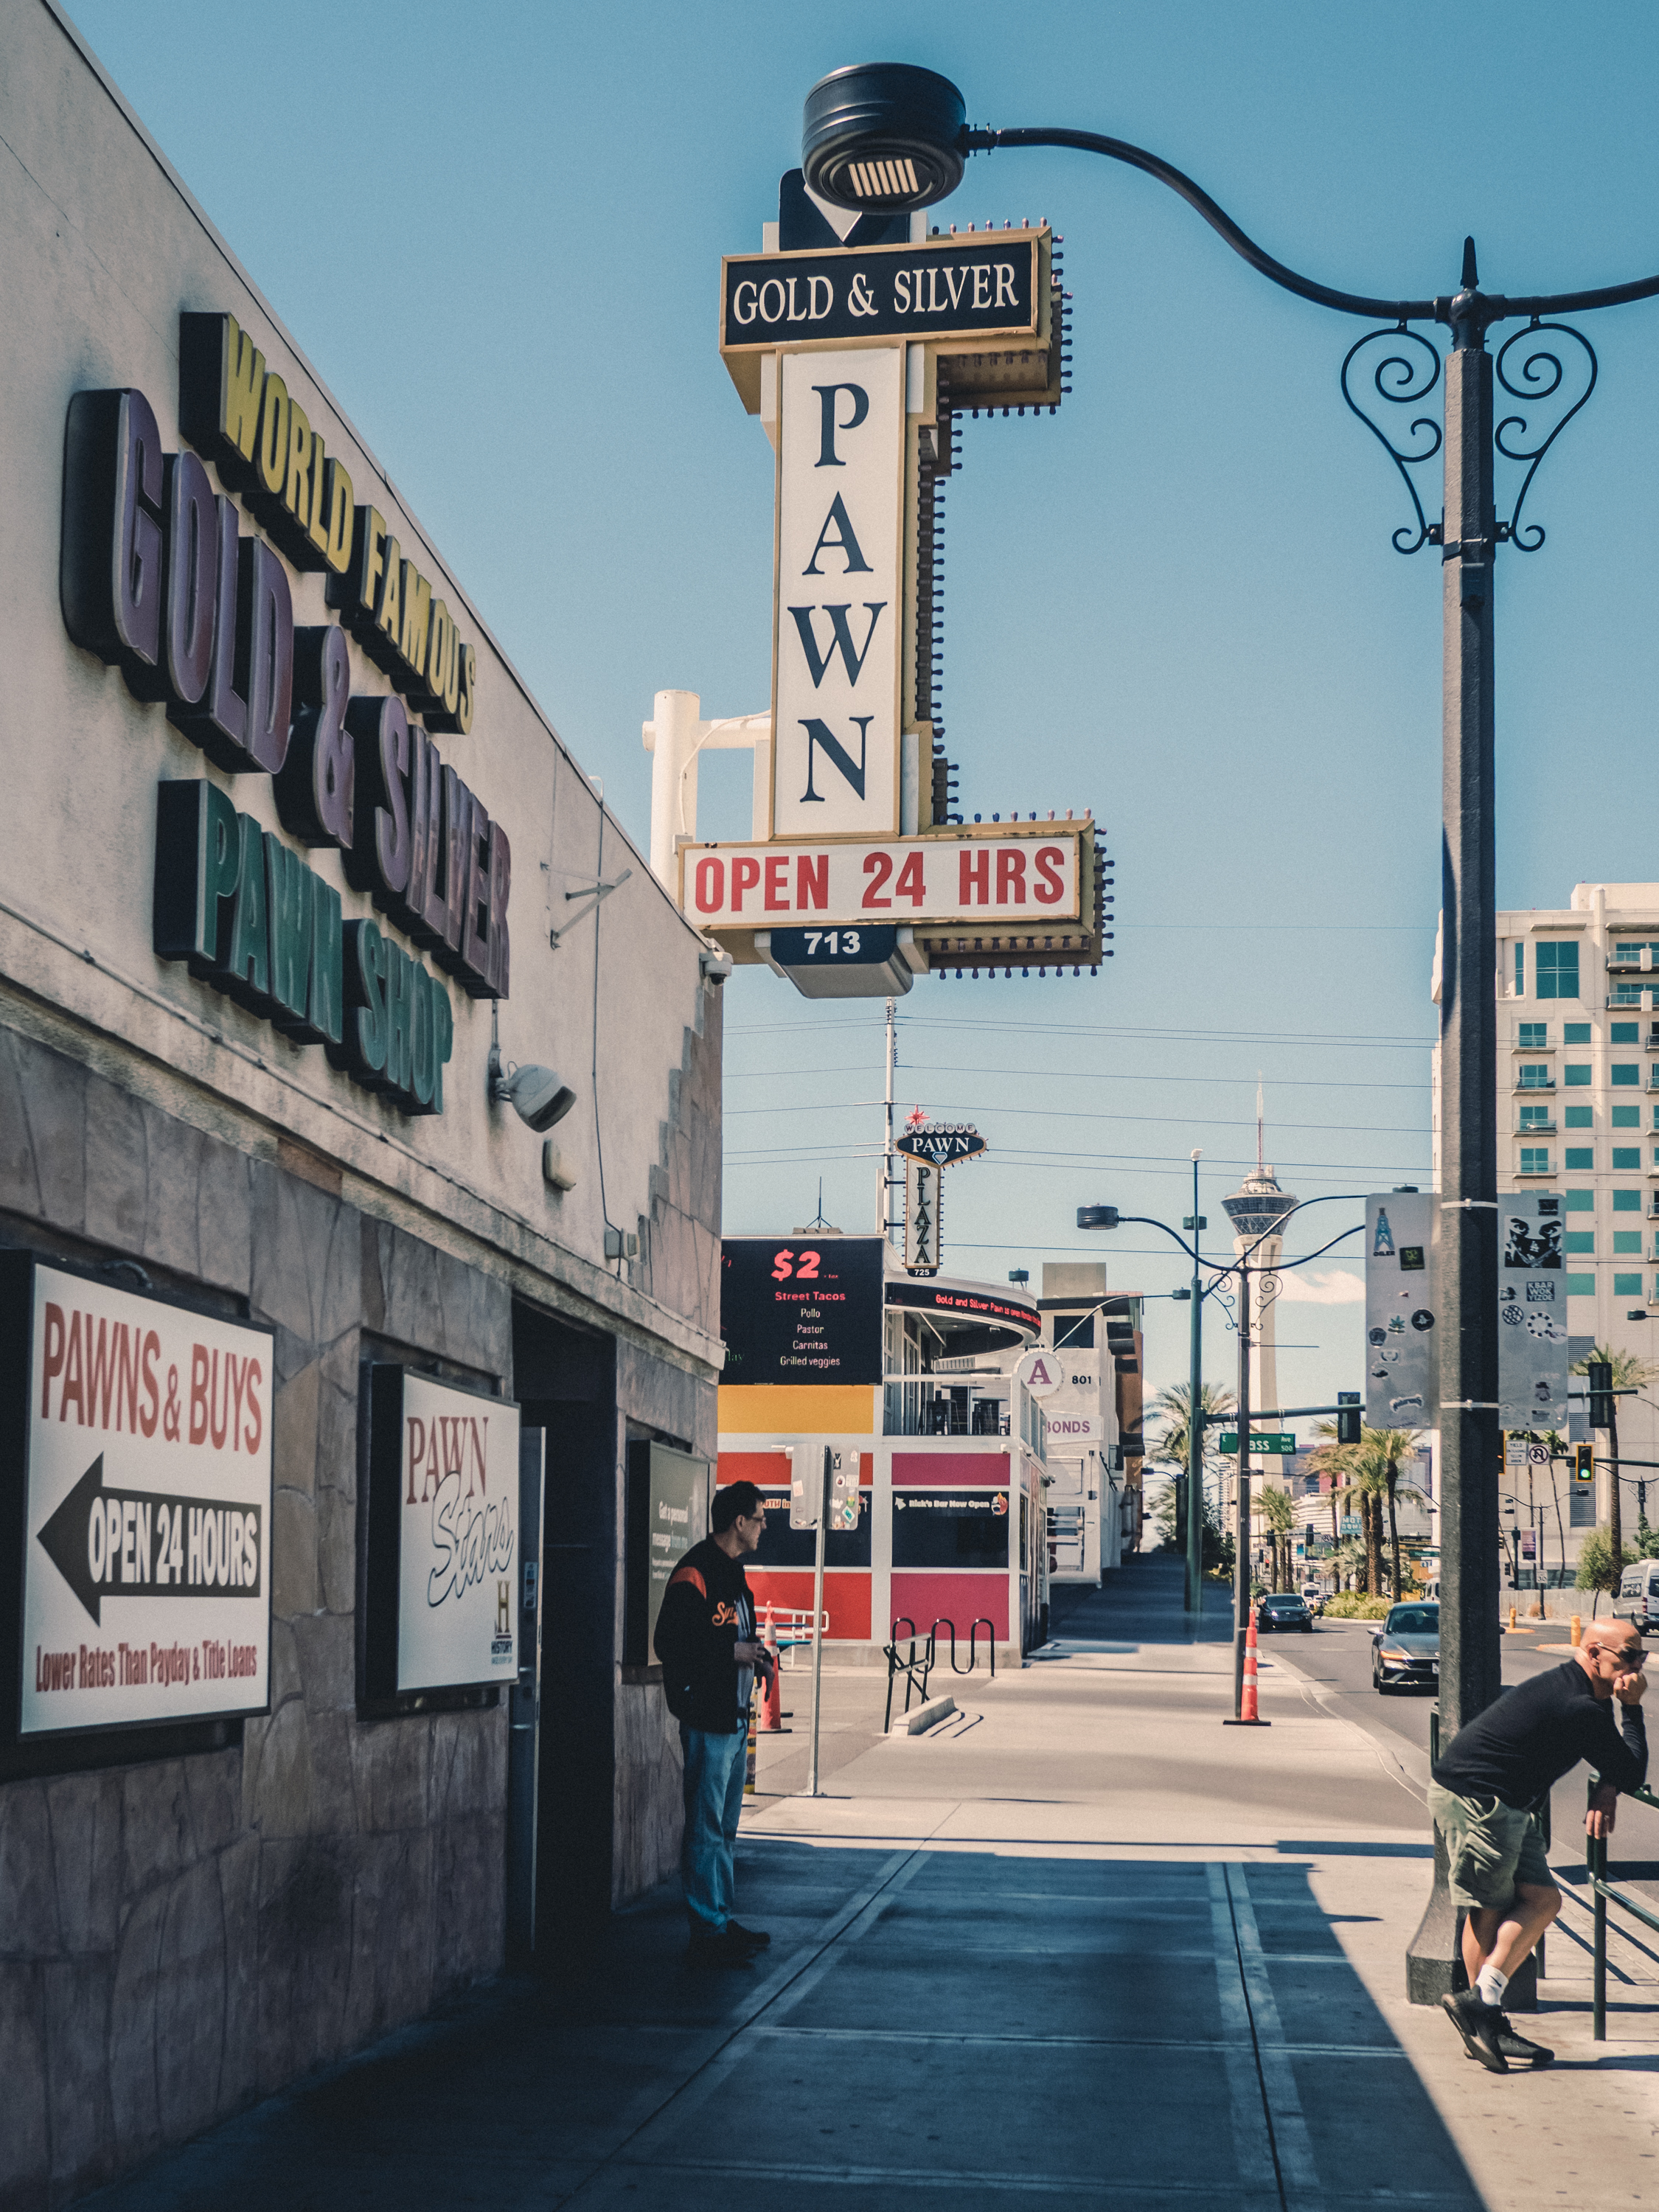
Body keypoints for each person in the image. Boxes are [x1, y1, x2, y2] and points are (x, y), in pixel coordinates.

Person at [1429, 1618, 1647, 2072]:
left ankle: (1482, 2007)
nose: (1637, 1667)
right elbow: (1630, 1770)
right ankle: (1482, 2023)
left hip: (1508, 1804)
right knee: (1487, 1908)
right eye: (1629, 1656)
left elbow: (1614, 1765)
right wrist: (1632, 1709)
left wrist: (1606, 1786)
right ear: (1594, 1654)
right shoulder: (1579, 1703)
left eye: (1641, 1656)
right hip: (1479, 1799)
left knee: (1544, 1900)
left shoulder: (1583, 1693)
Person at [653, 1478, 776, 1966]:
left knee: (724, 1828)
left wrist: (759, 1659)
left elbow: (739, 1636)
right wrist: (732, 1652)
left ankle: (721, 1918)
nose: (764, 1526)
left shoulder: (733, 1573)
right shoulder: (695, 1572)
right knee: (706, 1828)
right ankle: (707, 1929)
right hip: (707, 1717)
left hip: (735, 1717)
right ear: (738, 1522)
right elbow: (670, 1643)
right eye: (760, 1518)